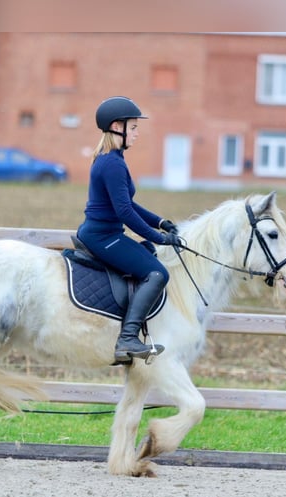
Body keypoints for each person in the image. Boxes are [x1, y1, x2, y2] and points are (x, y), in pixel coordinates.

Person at [77, 96, 182, 363]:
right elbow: (124, 212)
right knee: (157, 273)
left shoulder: (112, 159)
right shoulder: (112, 163)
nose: (137, 133)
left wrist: (160, 222)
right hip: (103, 237)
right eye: (133, 128)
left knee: (147, 254)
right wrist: (159, 238)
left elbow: (128, 204)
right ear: (117, 127)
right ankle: (128, 338)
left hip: (106, 234)